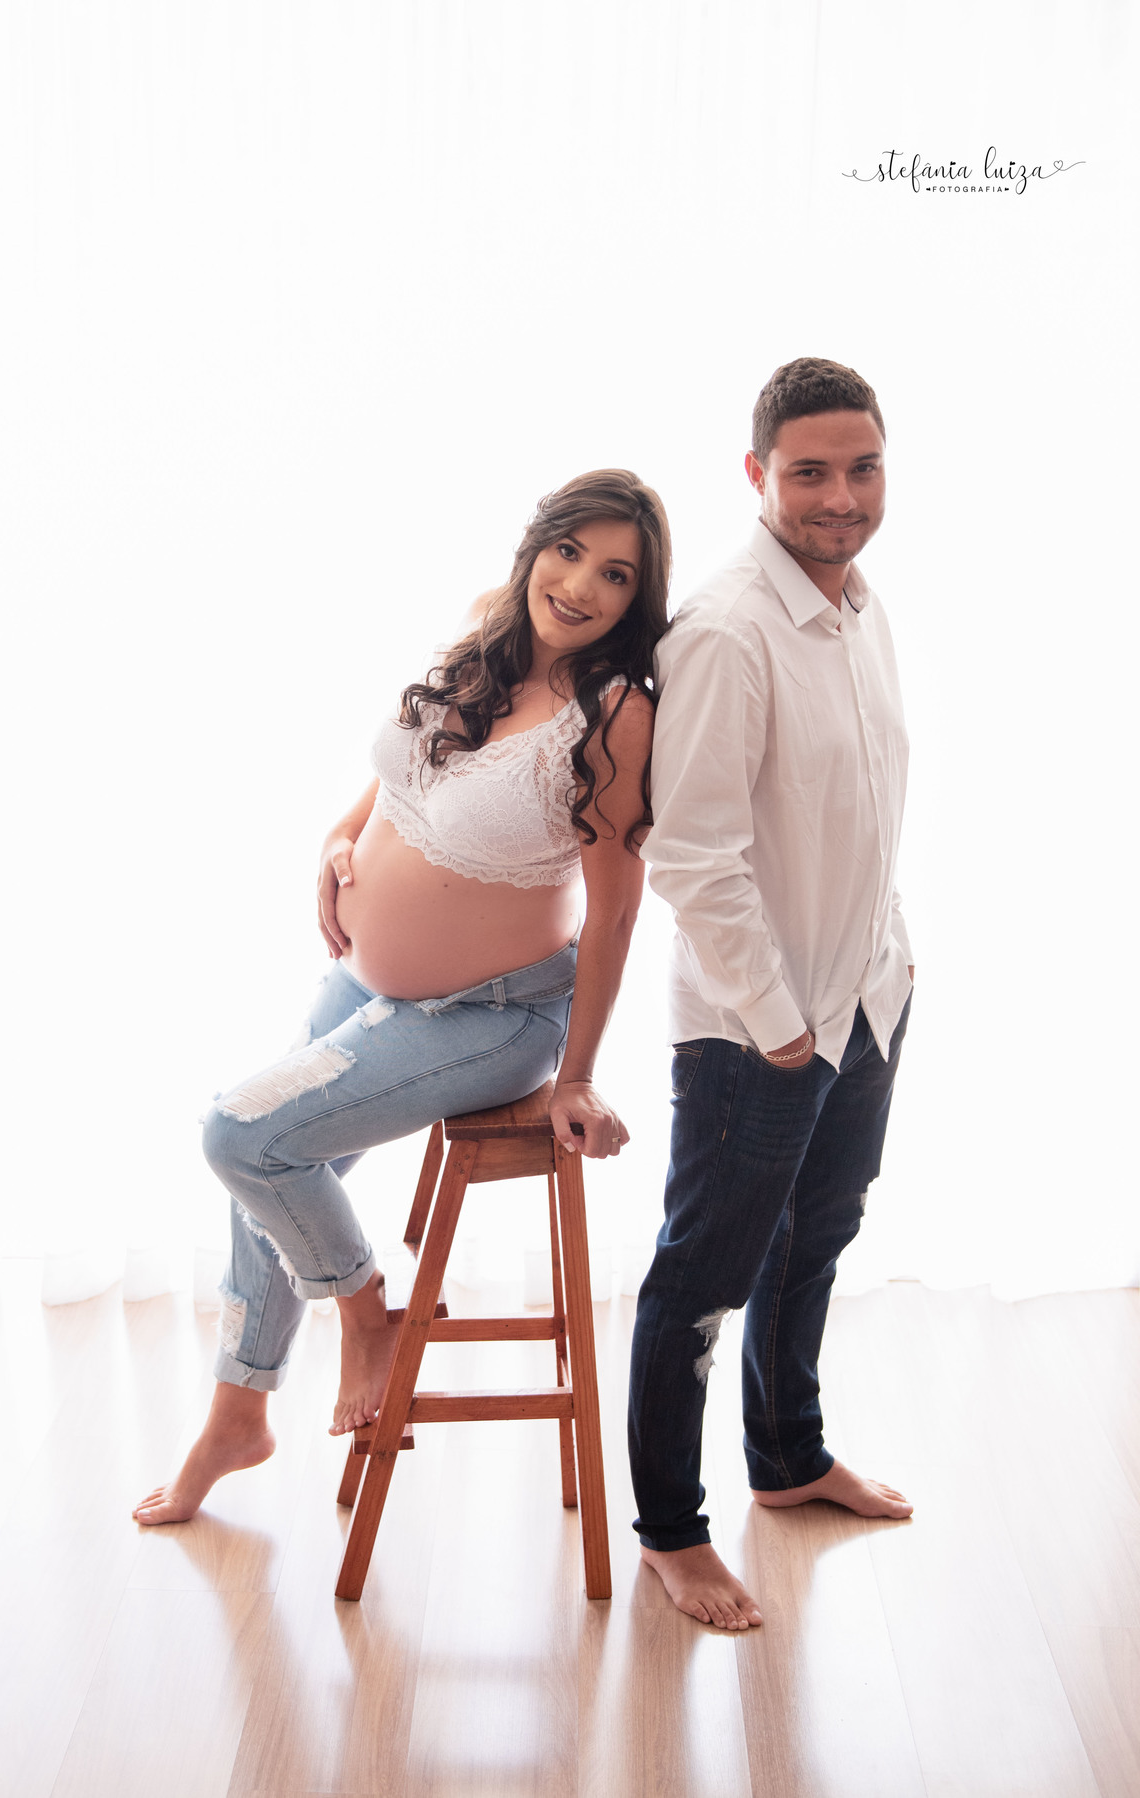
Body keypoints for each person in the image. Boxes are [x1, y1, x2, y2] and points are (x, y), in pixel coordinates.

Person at [133, 468, 671, 1527]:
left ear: (635, 599)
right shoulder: (484, 635)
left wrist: (578, 1077)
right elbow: (401, 776)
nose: (580, 587)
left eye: (615, 575)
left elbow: (613, 915)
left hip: (492, 1015)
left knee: (242, 1136)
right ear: (537, 546)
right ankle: (237, 1417)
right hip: (361, 980)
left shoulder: (616, 716)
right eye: (570, 552)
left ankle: (365, 1308)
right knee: (271, 1171)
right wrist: (338, 841)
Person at [628, 359, 915, 1630]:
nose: (840, 496)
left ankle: (789, 1457)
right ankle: (671, 1530)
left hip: (866, 1002)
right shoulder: (727, 630)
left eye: (863, 467)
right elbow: (691, 856)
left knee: (817, 1241)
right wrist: (783, 1027)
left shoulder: (859, 606)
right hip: (761, 1032)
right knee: (703, 1280)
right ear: (758, 474)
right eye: (810, 472)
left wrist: (888, 965)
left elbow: (860, 811)